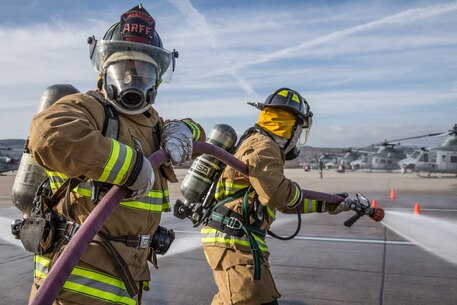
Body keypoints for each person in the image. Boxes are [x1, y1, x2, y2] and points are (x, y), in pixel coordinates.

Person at [27, 5, 205, 305]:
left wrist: (184, 129)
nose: (132, 80)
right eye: (124, 69)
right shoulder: (92, 107)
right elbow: (50, 134)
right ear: (105, 72)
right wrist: (132, 167)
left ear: (157, 80)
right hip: (75, 284)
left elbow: (199, 132)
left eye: (144, 72)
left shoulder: (152, 124)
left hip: (127, 279)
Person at [201, 88, 351, 305]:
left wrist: (328, 204)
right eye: (299, 130)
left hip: (237, 241)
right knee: (250, 300)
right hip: (234, 242)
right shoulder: (264, 146)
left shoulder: (259, 143)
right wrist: (322, 200)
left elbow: (285, 201)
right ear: (291, 125)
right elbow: (278, 195)